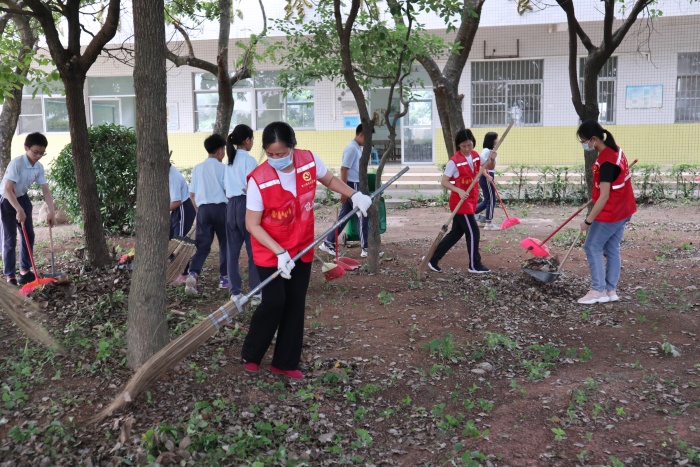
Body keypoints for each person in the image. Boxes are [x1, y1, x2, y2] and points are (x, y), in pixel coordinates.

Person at [241, 121, 371, 379]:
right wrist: (279, 253)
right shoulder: (259, 180)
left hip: (302, 247)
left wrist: (354, 195)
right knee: (274, 301)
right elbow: (252, 224)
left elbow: (330, 179)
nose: (275, 159)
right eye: (270, 154)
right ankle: (251, 353)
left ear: (293, 147)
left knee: (295, 303)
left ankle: (285, 362)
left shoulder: (308, 161)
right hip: (271, 252)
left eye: (281, 153)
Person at [576, 120, 636, 305]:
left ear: (594, 139)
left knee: (591, 246)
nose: (585, 144)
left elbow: (604, 197)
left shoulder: (607, 162)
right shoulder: (615, 150)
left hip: (612, 212)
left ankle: (598, 290)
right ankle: (610, 290)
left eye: (584, 141)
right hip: (624, 209)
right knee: (611, 248)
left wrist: (588, 221)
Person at [427, 129, 491, 274]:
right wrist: (459, 190)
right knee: (473, 232)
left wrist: (491, 160)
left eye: (469, 145)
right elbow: (444, 181)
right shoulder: (454, 161)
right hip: (460, 203)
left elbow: (486, 165)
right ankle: (474, 265)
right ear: (458, 145)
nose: (467, 148)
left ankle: (433, 259)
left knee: (456, 233)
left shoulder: (475, 155)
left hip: (471, 200)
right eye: (463, 146)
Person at [0, 132, 55, 286]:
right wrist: (18, 210)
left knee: (28, 234)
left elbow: (45, 190)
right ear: (26, 148)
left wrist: (51, 211)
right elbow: (7, 189)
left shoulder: (38, 167)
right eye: (35, 152)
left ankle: (24, 271)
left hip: (23, 198)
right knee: (10, 239)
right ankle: (10, 276)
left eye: (42, 153)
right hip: (7, 200)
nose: (38, 156)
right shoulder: (16, 164)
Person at [319, 123, 373, 258]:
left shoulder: (357, 148)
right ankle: (366, 248)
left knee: (344, 217)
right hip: (352, 185)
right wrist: (344, 191)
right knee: (363, 214)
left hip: (354, 185)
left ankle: (329, 242)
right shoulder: (352, 149)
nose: (369, 141)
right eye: (368, 138)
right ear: (361, 135)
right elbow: (344, 169)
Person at [185, 134, 228, 295]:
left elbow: (192, 195)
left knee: (202, 246)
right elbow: (228, 190)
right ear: (220, 150)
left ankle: (193, 274)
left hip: (203, 210)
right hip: (221, 209)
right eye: (224, 149)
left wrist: (199, 211)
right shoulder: (223, 168)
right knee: (225, 244)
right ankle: (224, 279)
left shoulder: (198, 168)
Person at [224, 124, 261, 306]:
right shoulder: (250, 160)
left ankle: (235, 293)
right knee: (253, 249)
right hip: (247, 205)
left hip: (230, 206)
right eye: (252, 139)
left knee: (232, 251)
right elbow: (250, 187)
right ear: (247, 140)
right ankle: (256, 292)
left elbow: (225, 186)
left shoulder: (229, 161)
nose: (252, 142)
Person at [168, 163, 196, 286]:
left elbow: (176, 202)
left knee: (180, 240)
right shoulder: (167, 173)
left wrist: (160, 210)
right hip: (177, 210)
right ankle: (176, 270)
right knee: (171, 237)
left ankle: (184, 274)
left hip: (183, 209)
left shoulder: (172, 177)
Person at [475, 132, 500, 231]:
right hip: (486, 175)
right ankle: (488, 223)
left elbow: (491, 166)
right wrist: (487, 176)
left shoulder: (492, 151)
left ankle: (471, 213)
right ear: (492, 140)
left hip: (489, 175)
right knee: (491, 200)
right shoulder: (486, 151)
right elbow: (480, 165)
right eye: (496, 138)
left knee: (487, 200)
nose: (497, 140)